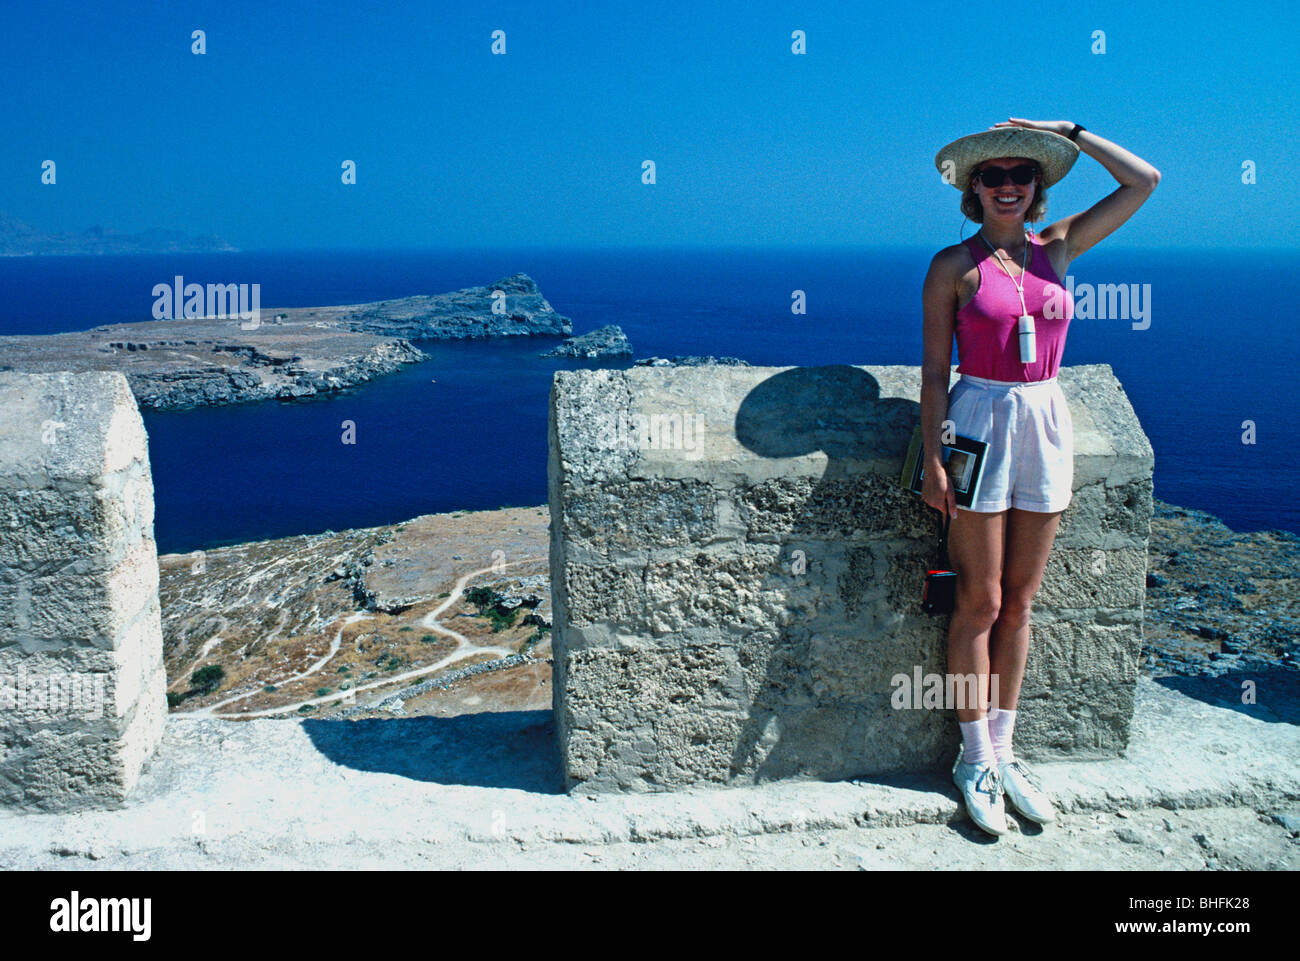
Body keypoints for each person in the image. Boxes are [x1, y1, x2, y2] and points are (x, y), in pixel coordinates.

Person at [921, 119, 1160, 836]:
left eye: (1022, 174)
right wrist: (934, 455)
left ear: (1038, 185)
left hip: (1046, 420)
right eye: (992, 176)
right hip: (979, 424)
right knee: (981, 601)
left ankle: (1005, 750)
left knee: (1022, 602)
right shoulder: (951, 266)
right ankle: (973, 760)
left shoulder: (1059, 247)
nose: (1008, 186)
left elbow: (1143, 182)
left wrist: (1071, 132)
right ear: (974, 188)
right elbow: (935, 372)